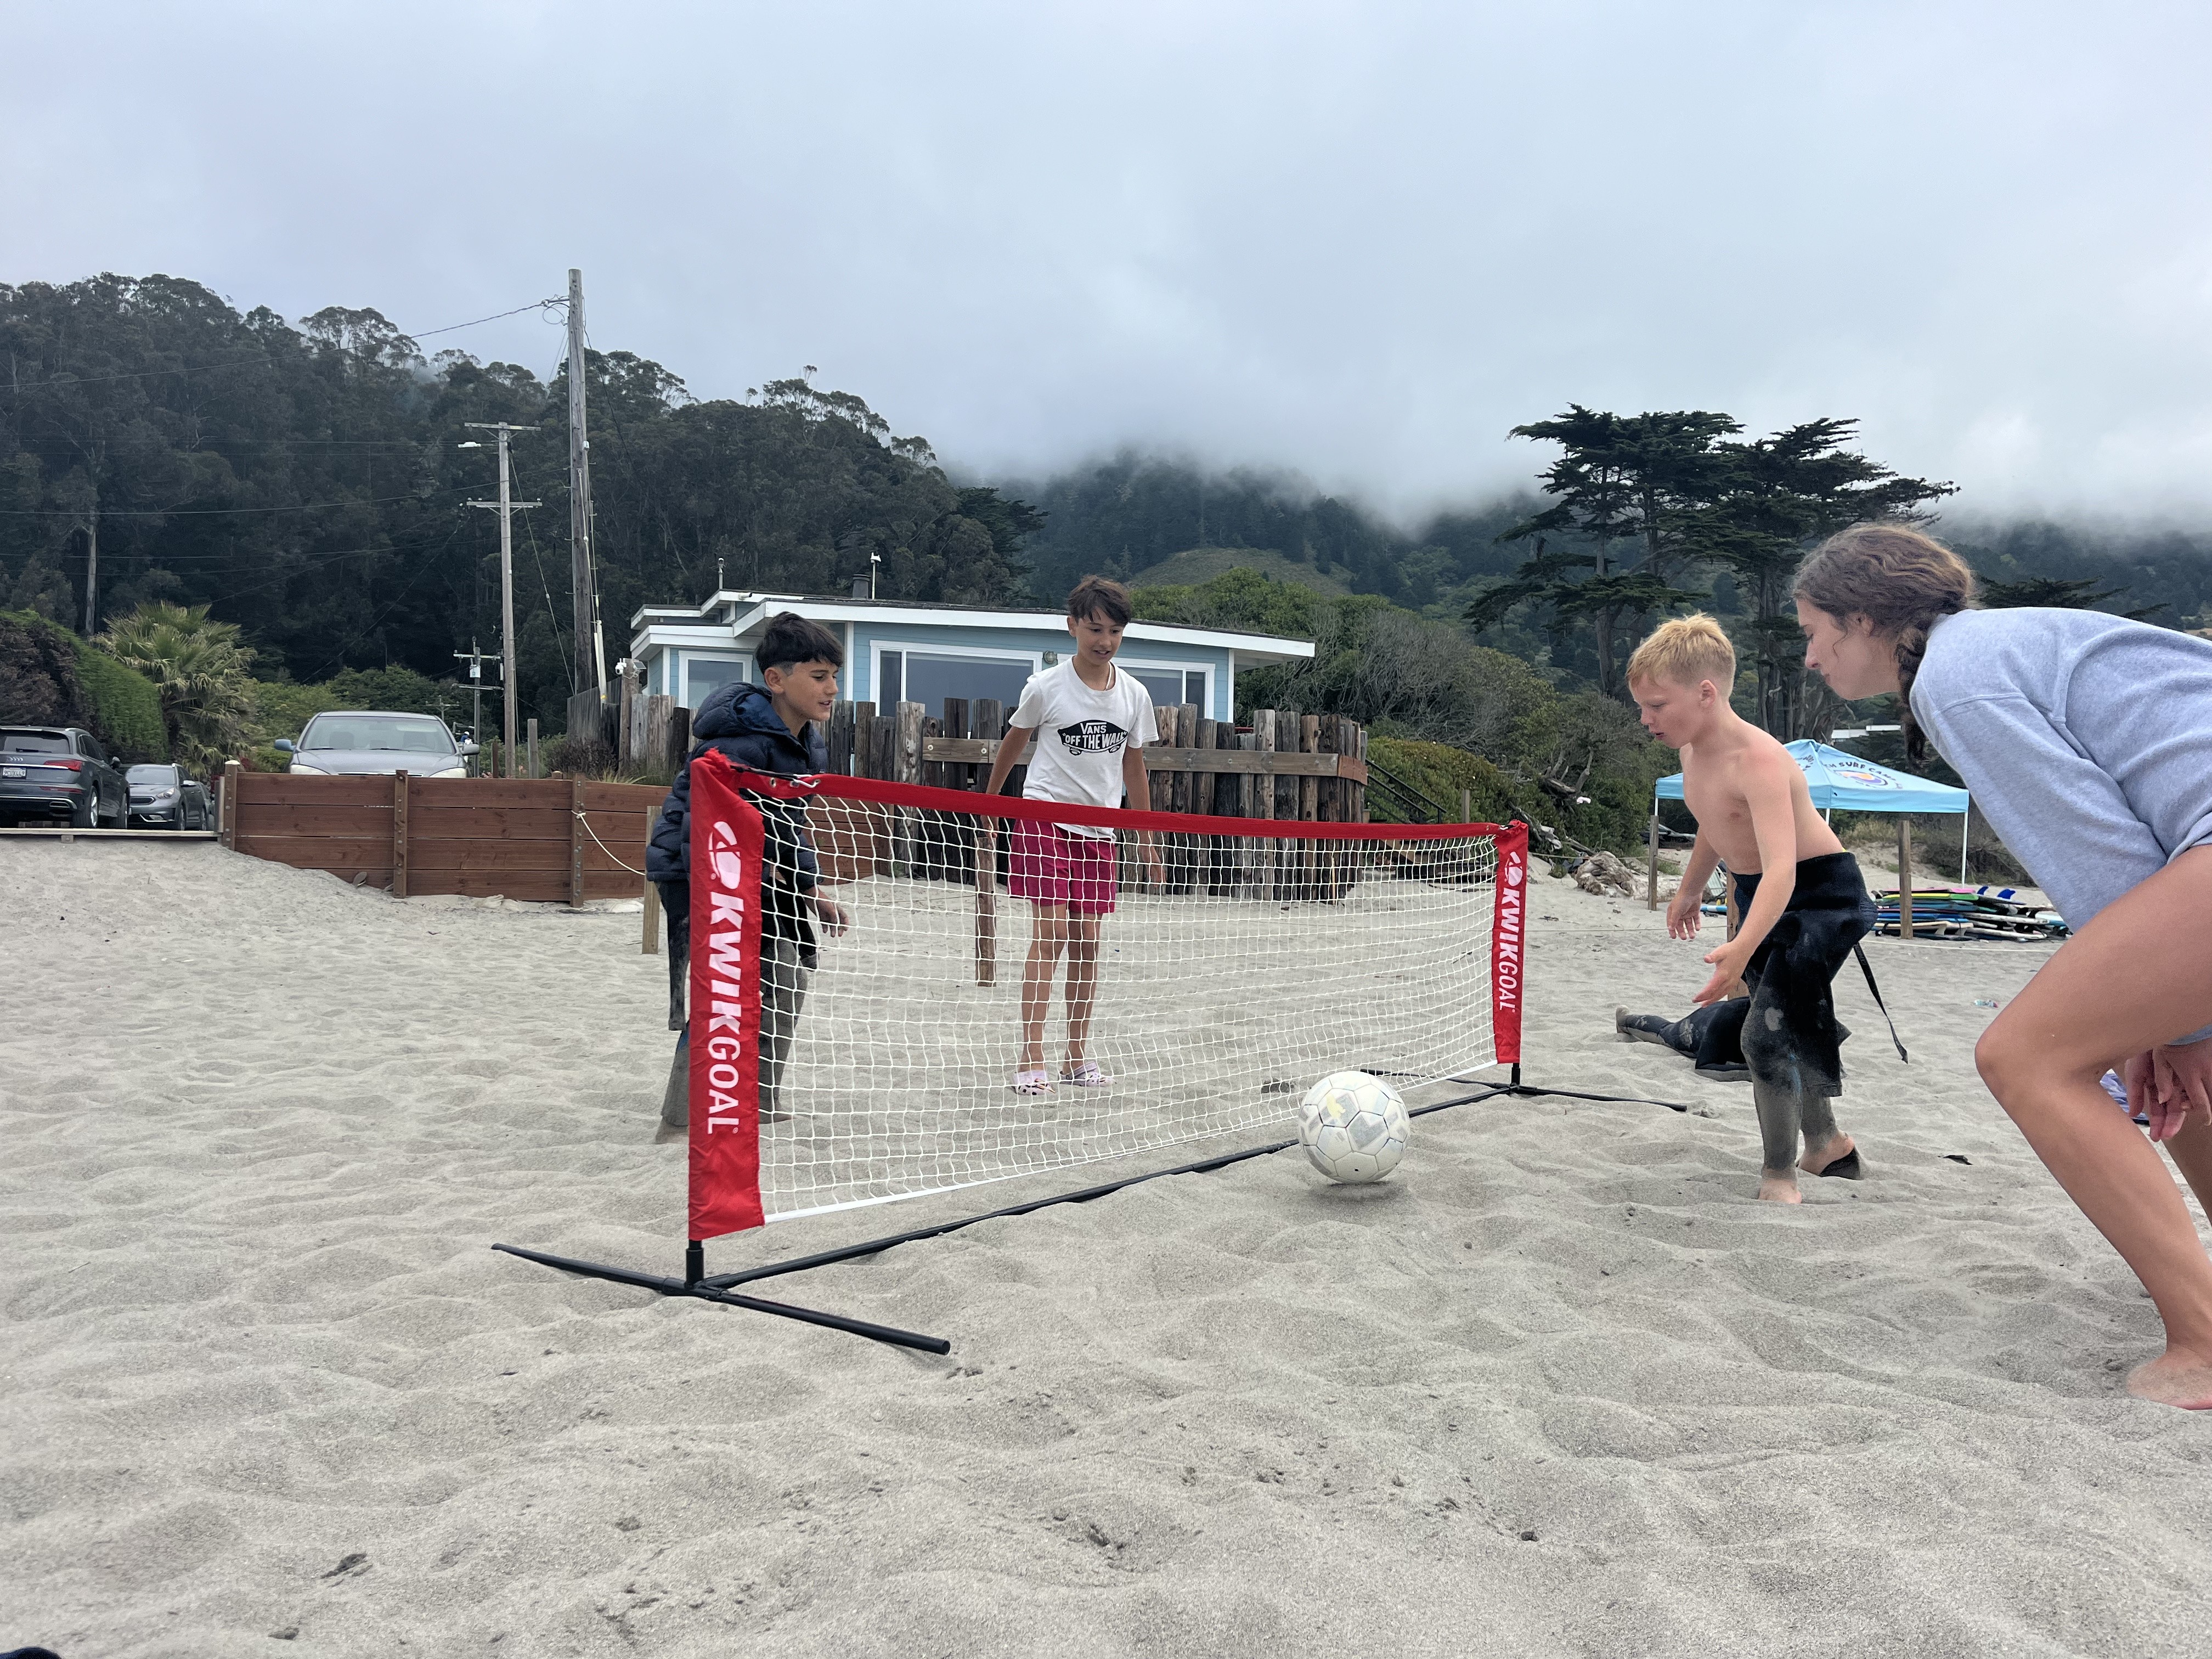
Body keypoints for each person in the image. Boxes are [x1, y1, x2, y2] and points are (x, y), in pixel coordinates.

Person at [1795, 522, 2212, 1409]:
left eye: (1813, 629)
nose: (1807, 656)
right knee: (2181, 1074)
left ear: (1863, 616)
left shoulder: (1957, 673)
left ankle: (2205, 1344)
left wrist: (2166, 1022)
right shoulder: (2001, 646)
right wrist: (2164, 1022)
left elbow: (2103, 860)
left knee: (2024, 1054)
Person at [1627, 614, 1876, 1201]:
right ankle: (1829, 1148)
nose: (1646, 719)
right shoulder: (1693, 754)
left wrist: (1741, 946)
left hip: (1819, 898)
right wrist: (1691, 887)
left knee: (1765, 1037)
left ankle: (1779, 1176)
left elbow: (1785, 869)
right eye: (1643, 706)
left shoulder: (1759, 760)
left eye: (1658, 705)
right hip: (1758, 892)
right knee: (1784, 1018)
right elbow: (1717, 823)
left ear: (1706, 694)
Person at [645, 612, 849, 1128]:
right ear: (776, 680)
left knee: (788, 978)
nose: (832, 688)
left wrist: (811, 888)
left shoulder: (806, 740)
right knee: (726, 989)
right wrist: (721, 895)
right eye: (819, 675)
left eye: (834, 675)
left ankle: (757, 1103)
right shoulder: (738, 739)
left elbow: (790, 821)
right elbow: (702, 824)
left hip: (757, 873)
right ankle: (683, 1120)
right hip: (698, 869)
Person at [981, 575, 1165, 1094]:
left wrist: (1146, 839)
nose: (1104, 640)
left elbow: (1134, 770)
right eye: (1094, 628)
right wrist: (994, 810)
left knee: (1088, 941)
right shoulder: (1044, 687)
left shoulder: (1135, 695)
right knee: (1053, 934)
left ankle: (1077, 1056)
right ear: (1072, 627)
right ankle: (1030, 1055)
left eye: (1114, 631)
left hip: (1101, 830)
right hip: (1044, 817)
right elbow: (1012, 745)